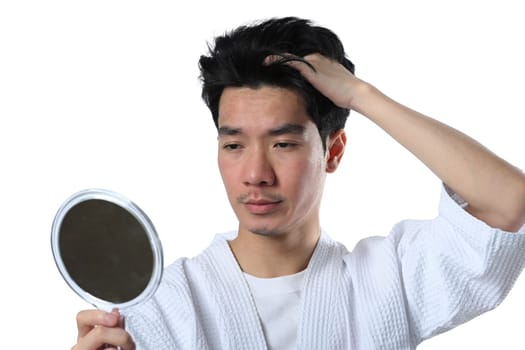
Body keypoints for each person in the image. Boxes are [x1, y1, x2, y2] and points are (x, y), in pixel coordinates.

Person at [72, 17, 525, 350]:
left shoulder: (389, 281)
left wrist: (361, 95)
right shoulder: (158, 308)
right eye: (233, 146)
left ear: (333, 151)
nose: (255, 174)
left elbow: (509, 202)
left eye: (283, 144)